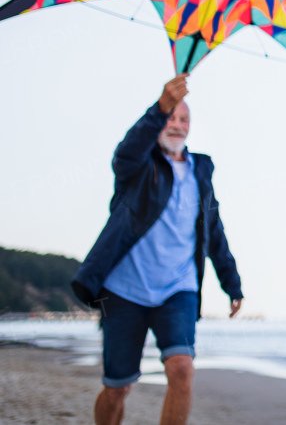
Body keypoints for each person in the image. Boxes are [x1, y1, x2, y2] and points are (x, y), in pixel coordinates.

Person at [71, 73, 244, 425]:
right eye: (171, 117)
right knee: (118, 387)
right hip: (123, 290)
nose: (176, 125)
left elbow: (214, 232)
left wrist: (232, 283)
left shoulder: (201, 173)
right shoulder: (138, 166)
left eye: (183, 119)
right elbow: (125, 153)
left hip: (177, 290)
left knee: (182, 369)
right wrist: (160, 106)